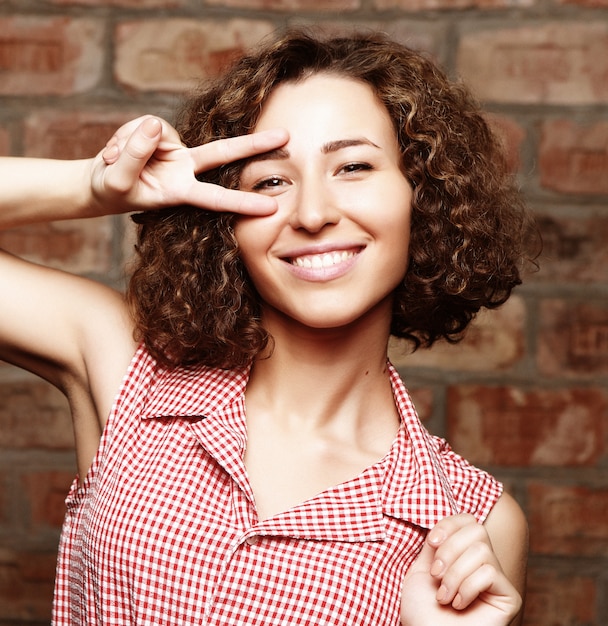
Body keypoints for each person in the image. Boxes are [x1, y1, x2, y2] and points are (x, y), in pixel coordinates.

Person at [0, 29, 531, 625]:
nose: (312, 214)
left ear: (423, 197)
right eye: (271, 181)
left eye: (353, 166)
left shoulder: (471, 523)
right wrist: (95, 187)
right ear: (225, 221)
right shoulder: (126, 368)